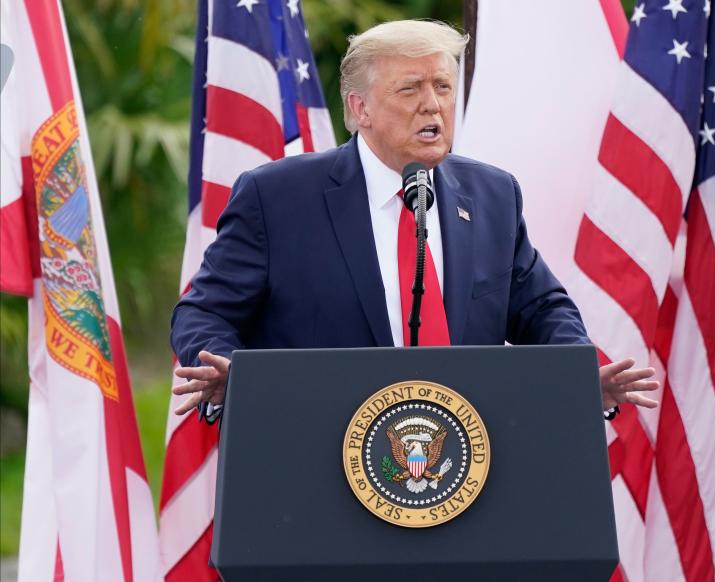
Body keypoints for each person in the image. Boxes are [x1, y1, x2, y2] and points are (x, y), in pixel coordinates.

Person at [171, 19, 658, 423]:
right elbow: (204, 312)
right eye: (411, 89)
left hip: (463, 463)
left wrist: (575, 375)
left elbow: (542, 311)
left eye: (443, 87)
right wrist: (232, 372)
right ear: (359, 108)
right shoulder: (276, 198)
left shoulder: (492, 195)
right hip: (315, 457)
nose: (433, 105)